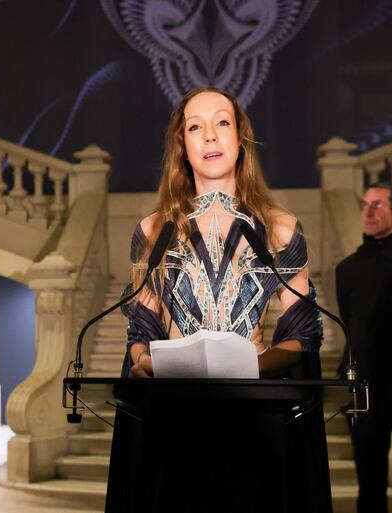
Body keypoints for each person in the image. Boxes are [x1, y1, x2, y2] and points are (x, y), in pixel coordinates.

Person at [106, 88, 329, 513]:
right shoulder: (154, 230)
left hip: (255, 423)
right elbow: (142, 327)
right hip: (174, 423)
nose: (210, 136)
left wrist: (248, 364)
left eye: (222, 122)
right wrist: (142, 359)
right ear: (182, 145)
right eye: (195, 126)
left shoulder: (281, 228)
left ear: (240, 137)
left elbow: (302, 336)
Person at [336, 182, 392, 513]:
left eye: (378, 205)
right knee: (369, 488)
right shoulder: (347, 268)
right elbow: (351, 324)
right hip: (366, 392)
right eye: (365, 204)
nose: (368, 211)